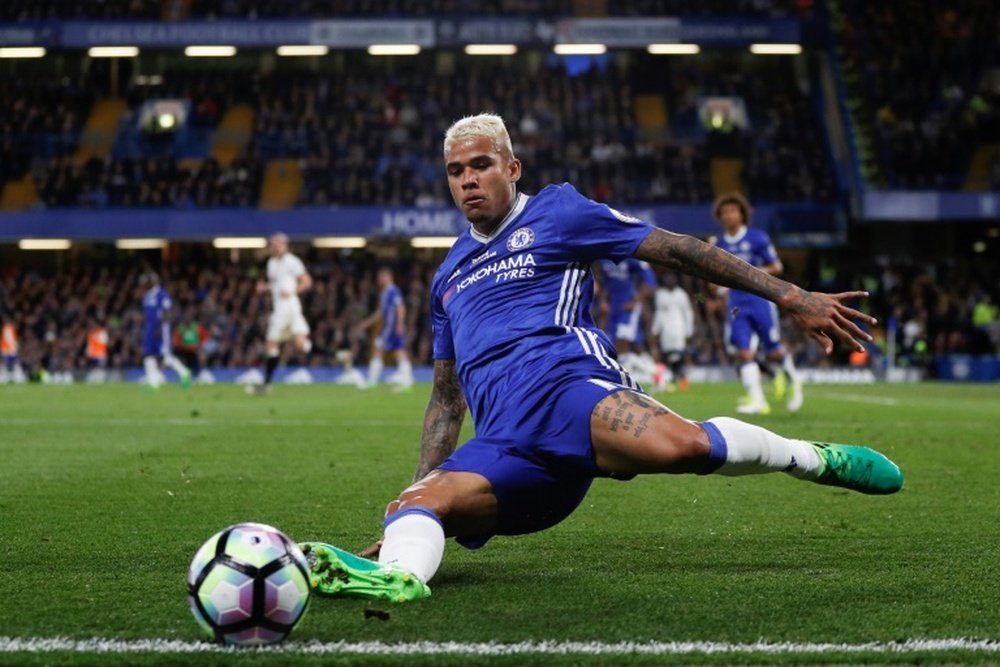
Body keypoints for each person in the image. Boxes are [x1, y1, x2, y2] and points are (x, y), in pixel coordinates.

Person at [299, 113, 902, 602]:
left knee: (687, 447)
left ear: (512, 167)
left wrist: (792, 295)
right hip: (505, 445)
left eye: (481, 165)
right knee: (411, 506)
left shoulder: (557, 212)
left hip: (572, 394)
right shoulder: (447, 275)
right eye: (455, 171)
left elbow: (678, 249)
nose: (467, 181)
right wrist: (417, 494)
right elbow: (445, 400)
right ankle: (397, 577)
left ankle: (810, 458)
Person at [711, 193, 803, 414]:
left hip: (760, 300)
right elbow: (717, 277)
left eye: (733, 211)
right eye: (724, 212)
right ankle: (758, 400)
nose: (728, 215)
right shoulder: (720, 243)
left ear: (742, 214)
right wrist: (717, 287)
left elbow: (776, 267)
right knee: (743, 351)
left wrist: (751, 274)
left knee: (773, 351)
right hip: (736, 303)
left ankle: (794, 381)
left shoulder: (757, 238)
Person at [248, 233, 313, 395]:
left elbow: (307, 282)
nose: (274, 246)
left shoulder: (293, 261)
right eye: (273, 244)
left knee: (272, 343)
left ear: (285, 245)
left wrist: (293, 291)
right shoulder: (271, 264)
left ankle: (266, 384)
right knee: (300, 344)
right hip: (281, 308)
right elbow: (276, 285)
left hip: (289, 307)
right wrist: (266, 288)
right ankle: (339, 356)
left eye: (277, 244)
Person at [594, 257, 659, 386]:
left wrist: (636, 301)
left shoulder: (630, 257)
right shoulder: (604, 259)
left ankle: (654, 371)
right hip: (613, 308)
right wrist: (603, 301)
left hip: (628, 307)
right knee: (616, 347)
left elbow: (650, 282)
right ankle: (652, 370)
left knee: (622, 344)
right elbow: (605, 282)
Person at [355, 266, 413, 390]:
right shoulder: (385, 292)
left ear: (388, 277)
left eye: (381, 277)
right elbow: (381, 312)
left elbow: (400, 307)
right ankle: (406, 381)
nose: (379, 280)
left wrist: (400, 324)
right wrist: (367, 323)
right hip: (387, 328)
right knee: (396, 352)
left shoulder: (393, 291)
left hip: (390, 328)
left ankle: (372, 381)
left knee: (384, 350)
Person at [140, 273, 191, 390]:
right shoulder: (146, 295)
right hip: (149, 328)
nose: (144, 284)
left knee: (165, 356)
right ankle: (153, 383)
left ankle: (184, 372)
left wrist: (161, 327)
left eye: (146, 281)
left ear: (153, 281)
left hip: (161, 328)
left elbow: (168, 312)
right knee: (148, 355)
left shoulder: (162, 294)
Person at [651, 271, 694, 392]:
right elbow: (658, 314)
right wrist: (655, 330)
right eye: (667, 279)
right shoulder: (660, 294)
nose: (669, 281)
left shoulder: (681, 294)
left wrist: (688, 331)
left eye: (671, 278)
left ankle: (683, 379)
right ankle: (668, 380)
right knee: (666, 357)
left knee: (680, 356)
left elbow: (688, 313)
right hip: (666, 330)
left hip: (679, 328)